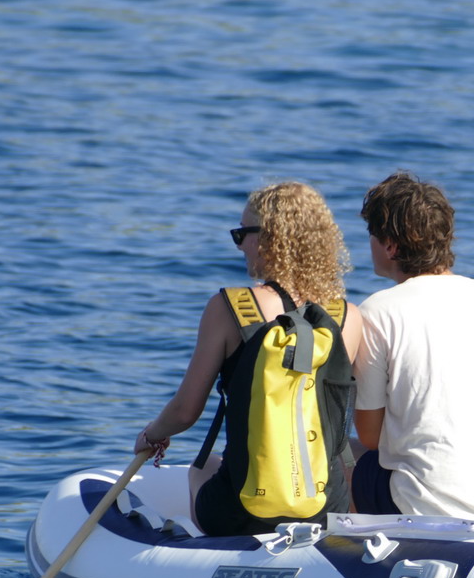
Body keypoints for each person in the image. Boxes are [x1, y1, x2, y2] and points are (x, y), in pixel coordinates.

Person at [133, 182, 363, 536]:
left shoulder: (229, 308)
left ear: (271, 239)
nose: (239, 245)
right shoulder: (347, 317)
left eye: (242, 234)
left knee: (202, 466)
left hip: (242, 511)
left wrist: (152, 435)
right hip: (322, 509)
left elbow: (185, 412)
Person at [351, 171, 474, 535]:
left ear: (391, 246)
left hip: (426, 510)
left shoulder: (377, 313)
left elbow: (369, 436)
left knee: (351, 466)